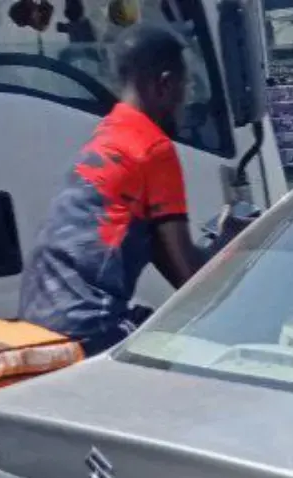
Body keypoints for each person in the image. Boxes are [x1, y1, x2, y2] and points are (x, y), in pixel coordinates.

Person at [17, 23, 227, 357]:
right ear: (164, 84)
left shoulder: (109, 134)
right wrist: (233, 252)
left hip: (41, 315)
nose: (184, 102)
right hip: (89, 325)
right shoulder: (153, 148)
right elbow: (188, 275)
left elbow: (163, 252)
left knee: (154, 319)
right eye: (184, 88)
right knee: (201, 360)